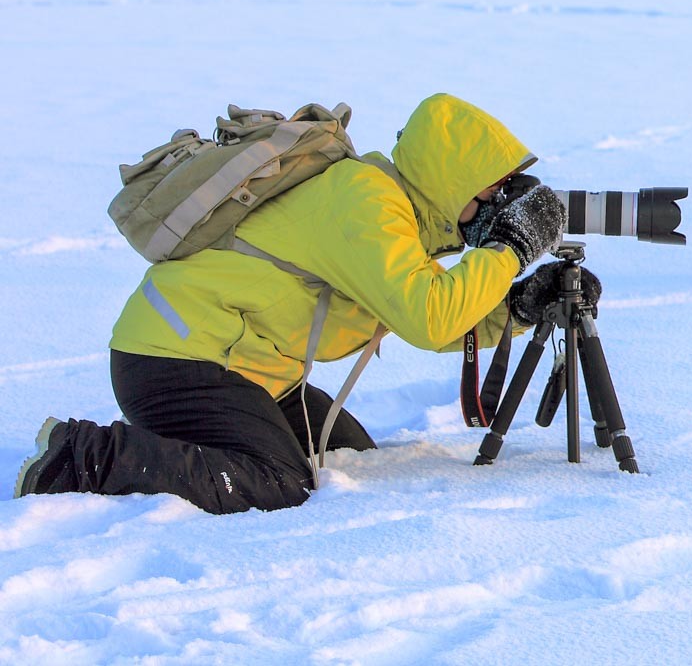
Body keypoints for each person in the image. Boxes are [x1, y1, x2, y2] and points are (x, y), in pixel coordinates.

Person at [14, 93, 581, 514]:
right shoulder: (364, 202)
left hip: (247, 370)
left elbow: (440, 312)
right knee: (281, 481)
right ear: (453, 184)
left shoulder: (393, 223)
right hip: (177, 360)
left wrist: (520, 308)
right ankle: (80, 456)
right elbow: (429, 315)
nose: (500, 203)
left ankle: (176, 449)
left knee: (354, 459)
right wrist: (509, 249)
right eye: (493, 189)